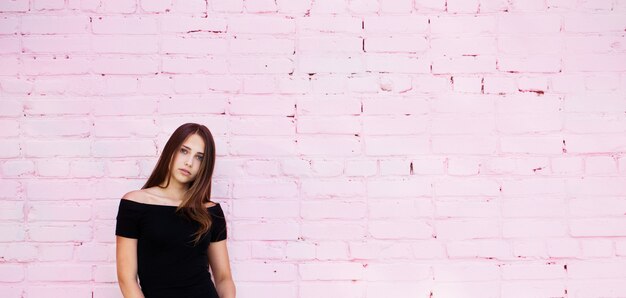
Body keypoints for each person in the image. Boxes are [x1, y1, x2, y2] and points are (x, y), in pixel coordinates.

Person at [115, 123, 236, 298]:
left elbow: (224, 278)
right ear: (171, 151)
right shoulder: (135, 205)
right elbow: (126, 279)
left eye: (199, 157)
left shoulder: (211, 211)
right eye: (184, 151)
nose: (189, 162)